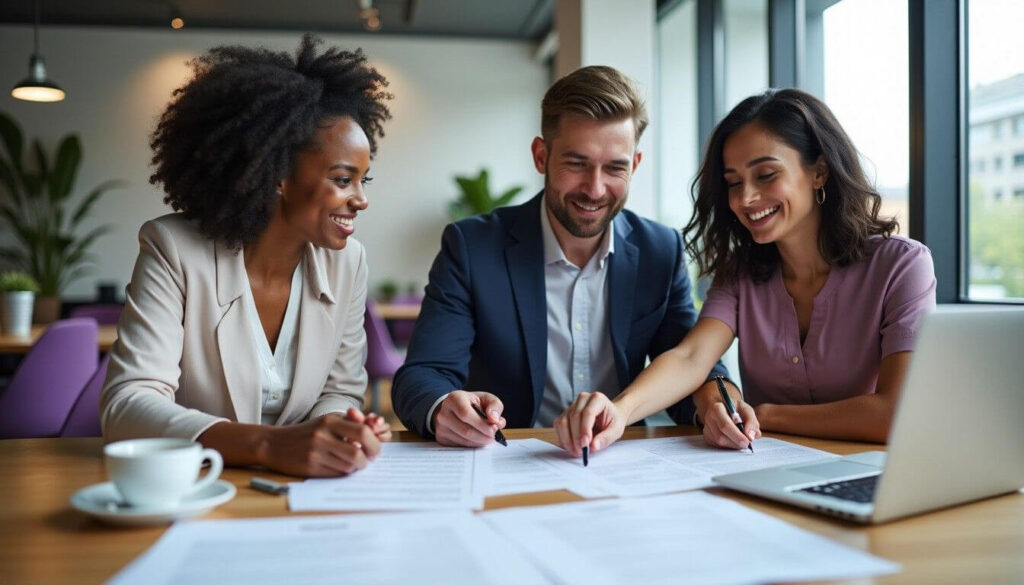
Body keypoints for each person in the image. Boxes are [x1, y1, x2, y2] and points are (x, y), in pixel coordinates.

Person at [555, 88, 937, 458]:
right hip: (764, 476)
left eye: (766, 175)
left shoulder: (902, 266)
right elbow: (691, 357)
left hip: (875, 482)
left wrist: (764, 414)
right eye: (733, 183)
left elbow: (896, 414)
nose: (744, 199)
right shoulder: (739, 273)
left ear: (819, 171)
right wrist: (621, 412)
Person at [391, 65, 732, 447]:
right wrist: (442, 408)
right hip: (508, 460)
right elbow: (422, 376)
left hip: (621, 463)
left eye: (615, 167)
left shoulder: (660, 250)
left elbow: (689, 363)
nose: (595, 189)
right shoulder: (472, 247)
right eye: (577, 163)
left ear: (634, 165)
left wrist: (714, 403)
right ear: (541, 156)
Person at [101, 35, 394, 478]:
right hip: (199, 485)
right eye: (342, 179)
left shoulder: (348, 261)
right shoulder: (174, 249)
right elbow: (127, 405)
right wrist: (267, 445)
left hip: (305, 488)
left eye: (363, 182)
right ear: (278, 176)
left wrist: (340, 426)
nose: (360, 200)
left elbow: (340, 390)